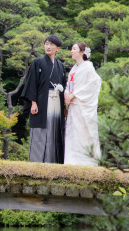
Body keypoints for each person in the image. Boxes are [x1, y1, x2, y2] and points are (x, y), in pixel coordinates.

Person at [21, 35, 66, 163]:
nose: (48, 46)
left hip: (56, 101)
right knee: (40, 131)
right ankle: (37, 162)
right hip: (41, 102)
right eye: (46, 43)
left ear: (58, 48)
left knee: (54, 130)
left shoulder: (60, 65)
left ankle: (52, 161)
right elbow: (32, 82)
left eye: (51, 44)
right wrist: (33, 103)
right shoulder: (37, 62)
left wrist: (64, 107)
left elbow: (64, 85)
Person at [63, 42, 102, 166]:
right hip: (73, 106)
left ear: (82, 52)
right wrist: (66, 96)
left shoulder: (88, 67)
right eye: (71, 49)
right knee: (72, 134)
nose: (71, 51)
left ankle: (86, 162)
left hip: (82, 106)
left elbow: (93, 84)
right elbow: (69, 85)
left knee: (83, 132)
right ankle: (71, 161)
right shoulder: (73, 68)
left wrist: (74, 94)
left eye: (74, 49)